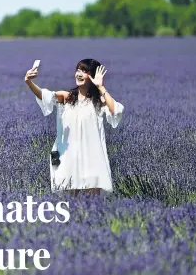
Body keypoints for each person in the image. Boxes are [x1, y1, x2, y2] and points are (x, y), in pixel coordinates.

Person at [25, 59, 124, 196]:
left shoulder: (99, 101)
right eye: (78, 70)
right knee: (72, 200)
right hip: (69, 158)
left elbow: (115, 111)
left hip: (92, 158)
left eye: (85, 71)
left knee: (92, 200)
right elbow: (44, 95)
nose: (79, 74)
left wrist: (101, 87)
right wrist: (29, 82)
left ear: (93, 76)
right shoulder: (67, 97)